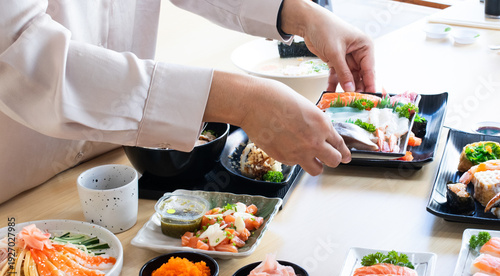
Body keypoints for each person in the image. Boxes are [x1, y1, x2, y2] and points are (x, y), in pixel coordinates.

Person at [0, 0, 375, 204]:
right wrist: (243, 100)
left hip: (119, 150)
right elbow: (22, 57)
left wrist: (297, 12)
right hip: (18, 176)